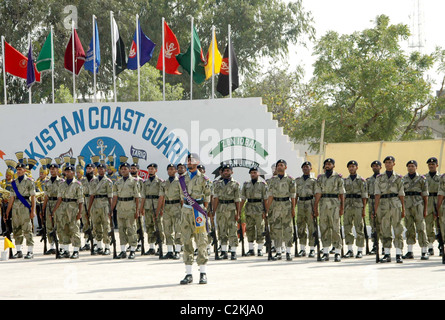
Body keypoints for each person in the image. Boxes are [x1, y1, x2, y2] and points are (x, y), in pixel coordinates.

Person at [179, 153, 211, 285]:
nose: (189, 163)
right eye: (187, 161)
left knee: (201, 241)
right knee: (186, 240)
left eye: (191, 160)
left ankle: (203, 273)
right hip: (186, 211)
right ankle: (188, 274)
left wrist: (202, 211)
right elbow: (182, 196)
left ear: (197, 162)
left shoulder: (204, 178)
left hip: (198, 211)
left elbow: (207, 197)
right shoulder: (181, 178)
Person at [373, 156, 405, 263]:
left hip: (395, 204)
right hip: (383, 204)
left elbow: (401, 194)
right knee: (385, 229)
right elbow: (377, 194)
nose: (388, 164)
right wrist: (375, 209)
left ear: (394, 164)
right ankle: (387, 253)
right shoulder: (379, 178)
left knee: (398, 228)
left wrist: (403, 209)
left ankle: (399, 253)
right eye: (386, 162)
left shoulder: (398, 178)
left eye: (390, 162)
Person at [313, 158, 345, 262]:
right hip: (323, 204)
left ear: (333, 166)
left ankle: (337, 252)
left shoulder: (338, 178)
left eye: (330, 164)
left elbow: (341, 194)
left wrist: (342, 207)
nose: (328, 165)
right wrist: (315, 207)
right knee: (324, 228)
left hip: (334, 203)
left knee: (335, 228)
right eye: (326, 164)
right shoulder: (320, 178)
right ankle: (325, 252)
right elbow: (318, 193)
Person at [51, 160, 84, 259]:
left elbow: (81, 200)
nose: (67, 173)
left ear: (73, 173)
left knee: (74, 229)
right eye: (66, 171)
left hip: (73, 207)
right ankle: (66, 250)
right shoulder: (62, 184)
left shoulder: (78, 184)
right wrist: (54, 210)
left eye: (69, 171)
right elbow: (59, 199)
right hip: (63, 208)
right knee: (63, 229)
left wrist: (80, 213)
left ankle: (76, 250)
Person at [265, 159, 297, 261]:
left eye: (281, 165)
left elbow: (293, 196)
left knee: (288, 229)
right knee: (276, 229)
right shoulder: (272, 180)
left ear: (285, 167)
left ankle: (288, 252)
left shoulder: (290, 180)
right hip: (276, 206)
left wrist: (293, 208)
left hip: (286, 205)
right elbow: (270, 195)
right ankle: (278, 252)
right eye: (278, 165)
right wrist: (267, 209)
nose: (279, 167)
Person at [4, 159, 36, 259]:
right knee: (16, 230)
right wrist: (7, 212)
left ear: (25, 171)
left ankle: (30, 251)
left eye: (20, 169)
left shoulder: (29, 182)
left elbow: (33, 197)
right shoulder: (14, 182)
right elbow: (11, 198)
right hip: (15, 209)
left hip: (25, 207)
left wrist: (33, 210)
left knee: (27, 230)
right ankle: (19, 251)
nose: (18, 171)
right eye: (17, 169)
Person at [110, 161, 141, 259]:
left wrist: (137, 210)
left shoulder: (134, 181)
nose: (123, 171)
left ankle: (132, 250)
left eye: (125, 169)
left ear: (129, 170)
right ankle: (123, 250)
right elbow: (115, 196)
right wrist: (111, 209)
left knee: (131, 229)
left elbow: (137, 197)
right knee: (121, 230)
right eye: (122, 169)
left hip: (130, 207)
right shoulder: (117, 182)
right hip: (120, 207)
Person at [213, 164, 242, 260]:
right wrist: (213, 211)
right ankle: (224, 251)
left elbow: (237, 200)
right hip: (221, 209)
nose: (226, 172)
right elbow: (216, 198)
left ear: (231, 172)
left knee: (233, 230)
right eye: (224, 171)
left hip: (231, 209)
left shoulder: (235, 184)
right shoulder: (217, 184)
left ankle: (233, 252)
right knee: (222, 231)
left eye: (228, 170)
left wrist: (238, 213)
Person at [402, 160, 429, 260]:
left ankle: (424, 251)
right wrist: (403, 208)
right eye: (409, 166)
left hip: (418, 206)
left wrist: (425, 209)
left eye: (412, 166)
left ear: (416, 167)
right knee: (409, 228)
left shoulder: (422, 179)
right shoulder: (403, 179)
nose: (410, 168)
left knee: (421, 228)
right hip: (408, 205)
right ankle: (410, 251)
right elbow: (401, 194)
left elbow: (425, 195)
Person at [157, 164, 183, 259]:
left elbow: (182, 198)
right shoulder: (164, 183)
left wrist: (183, 210)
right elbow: (161, 197)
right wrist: (158, 210)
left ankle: (177, 251)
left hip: (177, 207)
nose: (170, 171)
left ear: (176, 171)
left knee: (178, 230)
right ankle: (169, 251)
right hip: (167, 207)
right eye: (168, 169)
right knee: (167, 230)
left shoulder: (180, 182)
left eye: (172, 169)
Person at [240, 167, 268, 256]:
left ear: (258, 173)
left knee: (260, 228)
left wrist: (266, 211)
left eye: (255, 172)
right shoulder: (246, 184)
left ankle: (260, 249)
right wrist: (239, 210)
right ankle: (251, 249)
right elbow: (243, 198)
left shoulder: (263, 184)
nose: (253, 174)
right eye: (251, 173)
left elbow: (265, 199)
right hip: (249, 208)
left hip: (259, 208)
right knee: (249, 229)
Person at [343, 160, 368, 258]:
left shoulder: (361, 181)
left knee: (359, 228)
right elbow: (343, 195)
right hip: (348, 205)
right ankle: (349, 250)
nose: (351, 168)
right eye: (350, 166)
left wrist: (363, 209)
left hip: (358, 205)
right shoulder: (345, 181)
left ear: (357, 167)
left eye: (353, 166)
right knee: (347, 227)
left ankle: (360, 250)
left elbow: (364, 196)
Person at [87, 163, 114, 255]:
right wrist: (89, 208)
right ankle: (99, 246)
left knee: (106, 226)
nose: (100, 170)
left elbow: (110, 196)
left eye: (102, 169)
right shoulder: (93, 181)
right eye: (99, 169)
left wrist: (111, 209)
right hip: (95, 205)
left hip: (104, 205)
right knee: (96, 225)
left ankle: (107, 246)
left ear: (105, 170)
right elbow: (91, 196)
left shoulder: (108, 181)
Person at [140, 163, 164, 255]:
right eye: (149, 169)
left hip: (156, 205)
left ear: (156, 170)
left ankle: (159, 246)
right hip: (147, 206)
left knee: (158, 227)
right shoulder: (145, 182)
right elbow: (143, 196)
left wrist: (161, 209)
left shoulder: (160, 181)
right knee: (149, 226)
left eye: (152, 169)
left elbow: (162, 196)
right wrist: (141, 208)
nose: (150, 170)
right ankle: (151, 247)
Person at [294, 161, 317, 257]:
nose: (305, 168)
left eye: (307, 167)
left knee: (311, 226)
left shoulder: (314, 181)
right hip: (300, 203)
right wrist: (293, 207)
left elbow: (316, 194)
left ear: (311, 168)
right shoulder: (298, 180)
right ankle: (302, 248)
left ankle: (312, 248)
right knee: (301, 226)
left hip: (310, 202)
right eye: (303, 167)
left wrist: (315, 208)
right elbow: (295, 194)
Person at [42, 162, 63, 255]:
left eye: (54, 169)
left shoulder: (61, 182)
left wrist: (55, 209)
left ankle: (61, 246)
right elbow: (46, 196)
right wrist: (43, 209)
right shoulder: (47, 182)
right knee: (49, 226)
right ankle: (52, 246)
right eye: (50, 169)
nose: (52, 170)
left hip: (59, 204)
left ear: (58, 170)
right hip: (49, 204)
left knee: (59, 226)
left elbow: (61, 196)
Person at [425, 157, 440, 255]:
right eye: (429, 165)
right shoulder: (424, 178)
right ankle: (430, 246)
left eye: (433, 164)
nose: (431, 166)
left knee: (440, 225)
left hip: (439, 200)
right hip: (428, 200)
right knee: (428, 225)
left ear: (437, 165)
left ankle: (441, 245)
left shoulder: (441, 177)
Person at [366, 160, 382, 255]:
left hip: (382, 202)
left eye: (377, 166)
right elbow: (366, 193)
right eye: (373, 166)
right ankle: (375, 245)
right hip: (372, 202)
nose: (375, 167)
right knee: (373, 225)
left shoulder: (383, 178)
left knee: (383, 224)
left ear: (380, 167)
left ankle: (384, 246)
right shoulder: (369, 180)